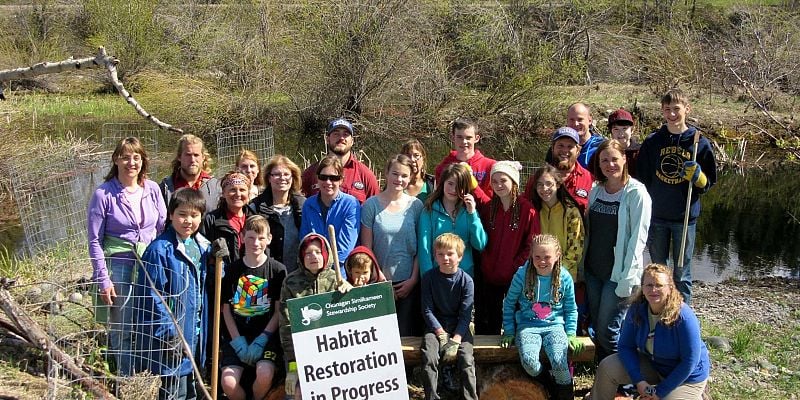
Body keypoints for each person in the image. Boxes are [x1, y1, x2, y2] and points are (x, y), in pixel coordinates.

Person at [87, 137, 167, 376]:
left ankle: (146, 373)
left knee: (147, 322)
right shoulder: (104, 194)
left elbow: (162, 226)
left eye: (136, 157)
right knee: (122, 327)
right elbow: (94, 240)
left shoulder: (152, 189)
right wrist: (104, 279)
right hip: (120, 267)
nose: (131, 162)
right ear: (115, 160)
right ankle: (124, 378)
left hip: (149, 265)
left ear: (143, 161)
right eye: (125, 157)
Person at [637, 89, 717, 304]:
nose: (672, 114)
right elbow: (641, 178)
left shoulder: (699, 142)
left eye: (676, 109)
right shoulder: (654, 141)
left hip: (684, 217)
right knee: (658, 272)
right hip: (657, 217)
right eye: (667, 109)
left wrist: (699, 178)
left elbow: (709, 183)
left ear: (687, 110)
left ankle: (683, 315)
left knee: (682, 274)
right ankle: (658, 311)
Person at [589, 264, 710, 400]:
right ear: (642, 287)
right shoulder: (637, 309)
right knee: (607, 367)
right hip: (655, 365)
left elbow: (690, 361)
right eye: (649, 285)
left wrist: (659, 392)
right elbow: (625, 346)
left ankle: (695, 395)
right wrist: (639, 381)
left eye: (659, 285)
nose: (653, 290)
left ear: (670, 288)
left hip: (686, 377)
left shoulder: (684, 317)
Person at [581, 139, 652, 361]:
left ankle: (622, 378)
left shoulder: (636, 193)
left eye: (614, 159)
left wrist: (629, 278)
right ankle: (603, 374)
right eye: (604, 160)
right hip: (594, 271)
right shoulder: (596, 191)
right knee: (596, 323)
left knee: (608, 330)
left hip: (618, 274)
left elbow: (638, 239)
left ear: (624, 159)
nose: (609, 164)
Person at [136, 188, 210, 400]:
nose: (188, 221)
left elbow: (208, 283)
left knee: (192, 391)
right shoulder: (160, 251)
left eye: (194, 215)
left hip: (195, 333)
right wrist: (170, 335)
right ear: (171, 215)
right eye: (182, 214)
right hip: (173, 340)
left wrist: (218, 261)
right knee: (174, 392)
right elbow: (152, 298)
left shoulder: (201, 246)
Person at [500, 234, 580, 400]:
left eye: (547, 257)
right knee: (529, 363)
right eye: (537, 257)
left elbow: (571, 308)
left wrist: (571, 333)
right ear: (531, 255)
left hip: (555, 326)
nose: (542, 261)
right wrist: (509, 330)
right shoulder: (522, 275)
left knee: (559, 360)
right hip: (528, 326)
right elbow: (509, 303)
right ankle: (550, 385)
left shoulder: (564, 277)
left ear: (557, 256)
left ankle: (566, 395)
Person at [220, 215, 286, 400]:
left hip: (266, 336)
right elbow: (226, 310)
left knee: (264, 375)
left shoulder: (278, 270)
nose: (255, 243)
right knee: (228, 383)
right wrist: (237, 341)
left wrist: (263, 338)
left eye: (261, 238)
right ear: (242, 237)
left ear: (269, 239)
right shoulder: (232, 270)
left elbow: (278, 310)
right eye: (250, 237)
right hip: (237, 336)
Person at [279, 233, 352, 398]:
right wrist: (292, 365)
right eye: (308, 253)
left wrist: (349, 292)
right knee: (297, 392)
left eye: (318, 252)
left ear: (326, 255)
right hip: (301, 353)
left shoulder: (337, 280)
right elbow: (286, 325)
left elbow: (349, 320)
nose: (313, 256)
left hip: (333, 352)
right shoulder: (290, 282)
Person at [360, 154, 424, 335]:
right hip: (378, 281)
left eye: (404, 176)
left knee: (406, 337)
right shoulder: (371, 205)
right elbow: (367, 249)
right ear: (386, 173)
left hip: (408, 284)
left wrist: (413, 280)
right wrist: (380, 278)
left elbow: (421, 248)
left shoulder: (416, 206)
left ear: (410, 178)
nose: (399, 179)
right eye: (395, 174)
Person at [475, 160, 539, 335]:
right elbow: (482, 240)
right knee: (490, 318)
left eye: (503, 180)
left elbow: (531, 244)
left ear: (514, 182)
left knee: (516, 316)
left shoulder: (527, 210)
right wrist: (487, 264)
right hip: (491, 275)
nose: (498, 185)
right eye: (494, 181)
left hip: (516, 276)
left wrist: (515, 267)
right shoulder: (489, 209)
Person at [420, 233, 477, 400]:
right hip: (435, 326)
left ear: (459, 256)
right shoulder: (429, 278)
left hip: (460, 325)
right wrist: (441, 333)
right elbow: (427, 310)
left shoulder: (466, 281)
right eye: (440, 254)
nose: (445, 258)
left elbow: (466, 314)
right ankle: (432, 396)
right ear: (435, 256)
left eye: (450, 254)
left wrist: (456, 339)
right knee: (429, 356)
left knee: (466, 359)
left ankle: (470, 397)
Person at [417, 163, 487, 278]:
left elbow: (480, 244)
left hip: (465, 277)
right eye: (450, 183)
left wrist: (472, 214)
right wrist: (428, 279)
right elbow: (424, 249)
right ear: (443, 183)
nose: (454, 189)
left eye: (459, 185)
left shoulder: (469, 212)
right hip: (437, 276)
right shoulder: (429, 211)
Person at [299, 155, 360, 277]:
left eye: (334, 178)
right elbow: (305, 240)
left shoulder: (351, 204)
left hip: (340, 273)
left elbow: (345, 248)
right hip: (312, 272)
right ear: (317, 179)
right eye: (323, 177)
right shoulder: (308, 205)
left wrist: (323, 268)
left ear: (341, 180)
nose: (328, 182)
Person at [300, 117, 379, 204]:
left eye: (345, 134)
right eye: (336, 134)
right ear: (327, 139)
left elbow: (375, 211)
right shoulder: (310, 174)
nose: (341, 138)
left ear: (352, 141)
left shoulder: (366, 176)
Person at [527, 165, 584, 279]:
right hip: (538, 272)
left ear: (557, 185)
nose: (544, 188)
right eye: (540, 184)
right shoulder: (534, 210)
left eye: (549, 184)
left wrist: (557, 270)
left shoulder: (571, 212)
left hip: (563, 275)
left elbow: (576, 247)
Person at [250, 155, 305, 273]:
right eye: (276, 174)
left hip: (298, 275)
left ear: (293, 177)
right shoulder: (256, 207)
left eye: (286, 174)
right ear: (269, 178)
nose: (282, 178)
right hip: (267, 274)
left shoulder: (303, 205)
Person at [524, 127, 593, 214]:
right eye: (560, 145)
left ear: (578, 151)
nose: (565, 150)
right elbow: (525, 210)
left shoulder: (588, 178)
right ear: (552, 148)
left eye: (570, 146)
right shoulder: (537, 178)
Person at [434, 117, 496, 203]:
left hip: (482, 215)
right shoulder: (442, 168)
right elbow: (440, 200)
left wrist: (473, 184)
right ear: (452, 138)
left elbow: (491, 206)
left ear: (476, 138)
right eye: (459, 137)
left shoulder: (491, 166)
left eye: (468, 137)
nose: (464, 142)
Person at [160, 134, 221, 213]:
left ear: (203, 157)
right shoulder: (165, 188)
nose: (192, 160)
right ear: (179, 157)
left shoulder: (216, 187)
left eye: (196, 155)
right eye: (188, 155)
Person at [567, 102, 605, 169]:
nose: (576, 124)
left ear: (590, 120)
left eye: (580, 119)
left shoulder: (601, 146)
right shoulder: (560, 146)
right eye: (572, 120)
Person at [608, 108, 641, 178]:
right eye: (616, 129)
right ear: (611, 131)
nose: (621, 133)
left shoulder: (641, 152)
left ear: (632, 130)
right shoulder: (605, 152)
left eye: (624, 128)